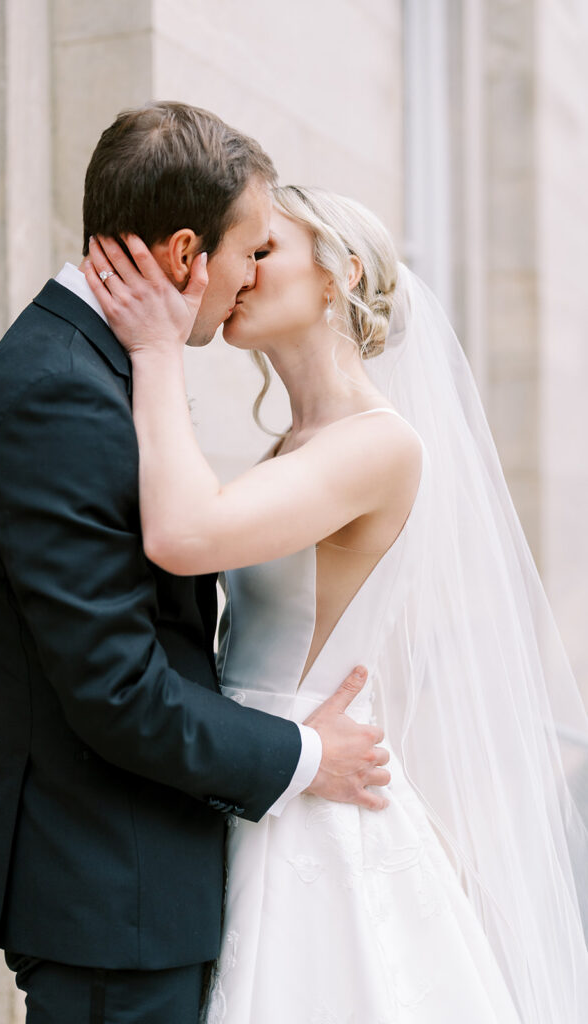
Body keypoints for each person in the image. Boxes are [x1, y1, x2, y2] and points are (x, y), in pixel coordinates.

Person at [85, 183, 588, 1022]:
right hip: (253, 769)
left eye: (262, 250)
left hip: (303, 800)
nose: (236, 270)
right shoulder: (293, 444)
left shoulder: (379, 443)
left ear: (337, 275)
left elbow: (183, 535)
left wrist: (158, 351)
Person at [0, 105, 392, 1024]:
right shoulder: (63, 398)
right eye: (248, 251)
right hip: (117, 891)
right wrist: (308, 756)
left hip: (157, 879)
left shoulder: (92, 371)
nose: (245, 279)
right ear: (190, 254)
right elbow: (118, 690)